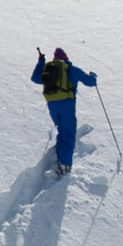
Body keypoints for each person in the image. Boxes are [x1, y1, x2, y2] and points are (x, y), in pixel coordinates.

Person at [31, 45, 98, 174]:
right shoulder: (70, 69)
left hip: (52, 105)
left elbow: (35, 78)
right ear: (66, 58)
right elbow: (90, 82)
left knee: (62, 131)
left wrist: (41, 62)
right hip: (67, 104)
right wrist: (94, 76)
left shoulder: (48, 70)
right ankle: (66, 165)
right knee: (69, 132)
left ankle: (61, 159)